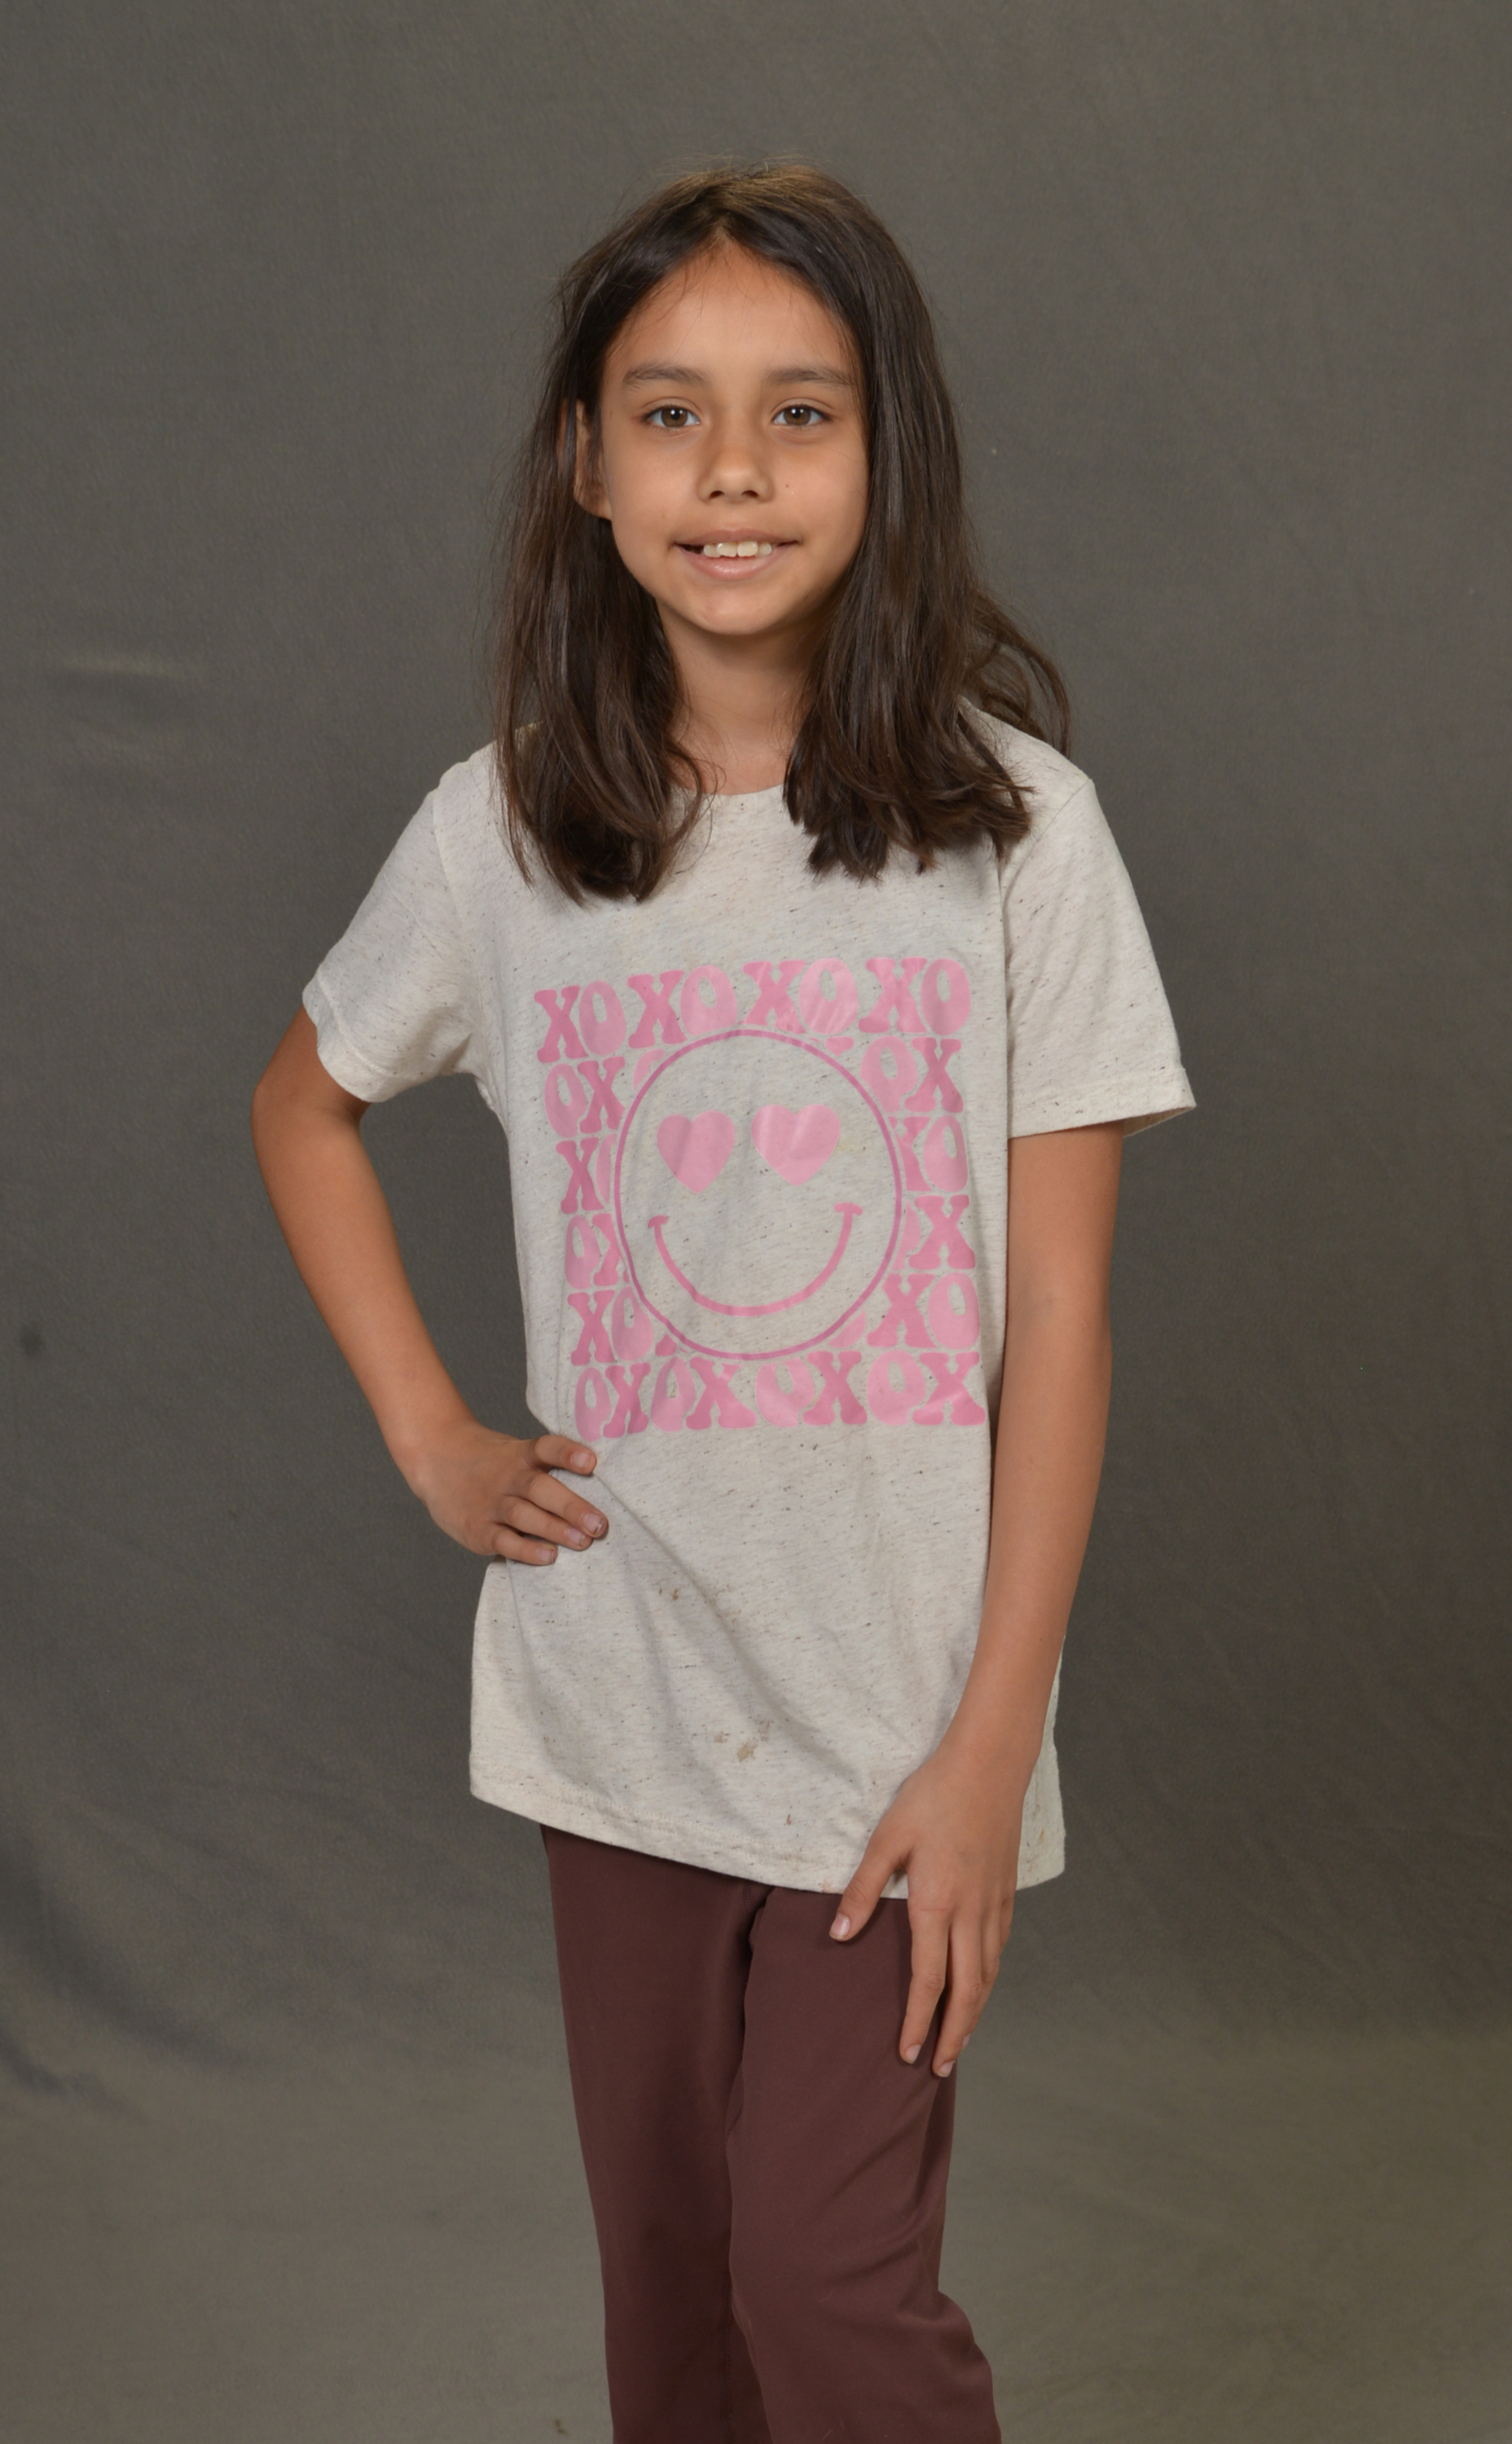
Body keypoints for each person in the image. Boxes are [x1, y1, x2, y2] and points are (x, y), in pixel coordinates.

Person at [251, 162, 1193, 2444]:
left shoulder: (1021, 836)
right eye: (671, 414)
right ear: (589, 466)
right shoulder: (503, 833)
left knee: (824, 2283)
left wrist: (993, 1749)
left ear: (890, 455)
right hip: (624, 1700)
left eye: (802, 412)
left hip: (902, 1725)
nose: (737, 470)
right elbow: (303, 1106)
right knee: (676, 2295)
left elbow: (1064, 1320)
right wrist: (435, 1438)